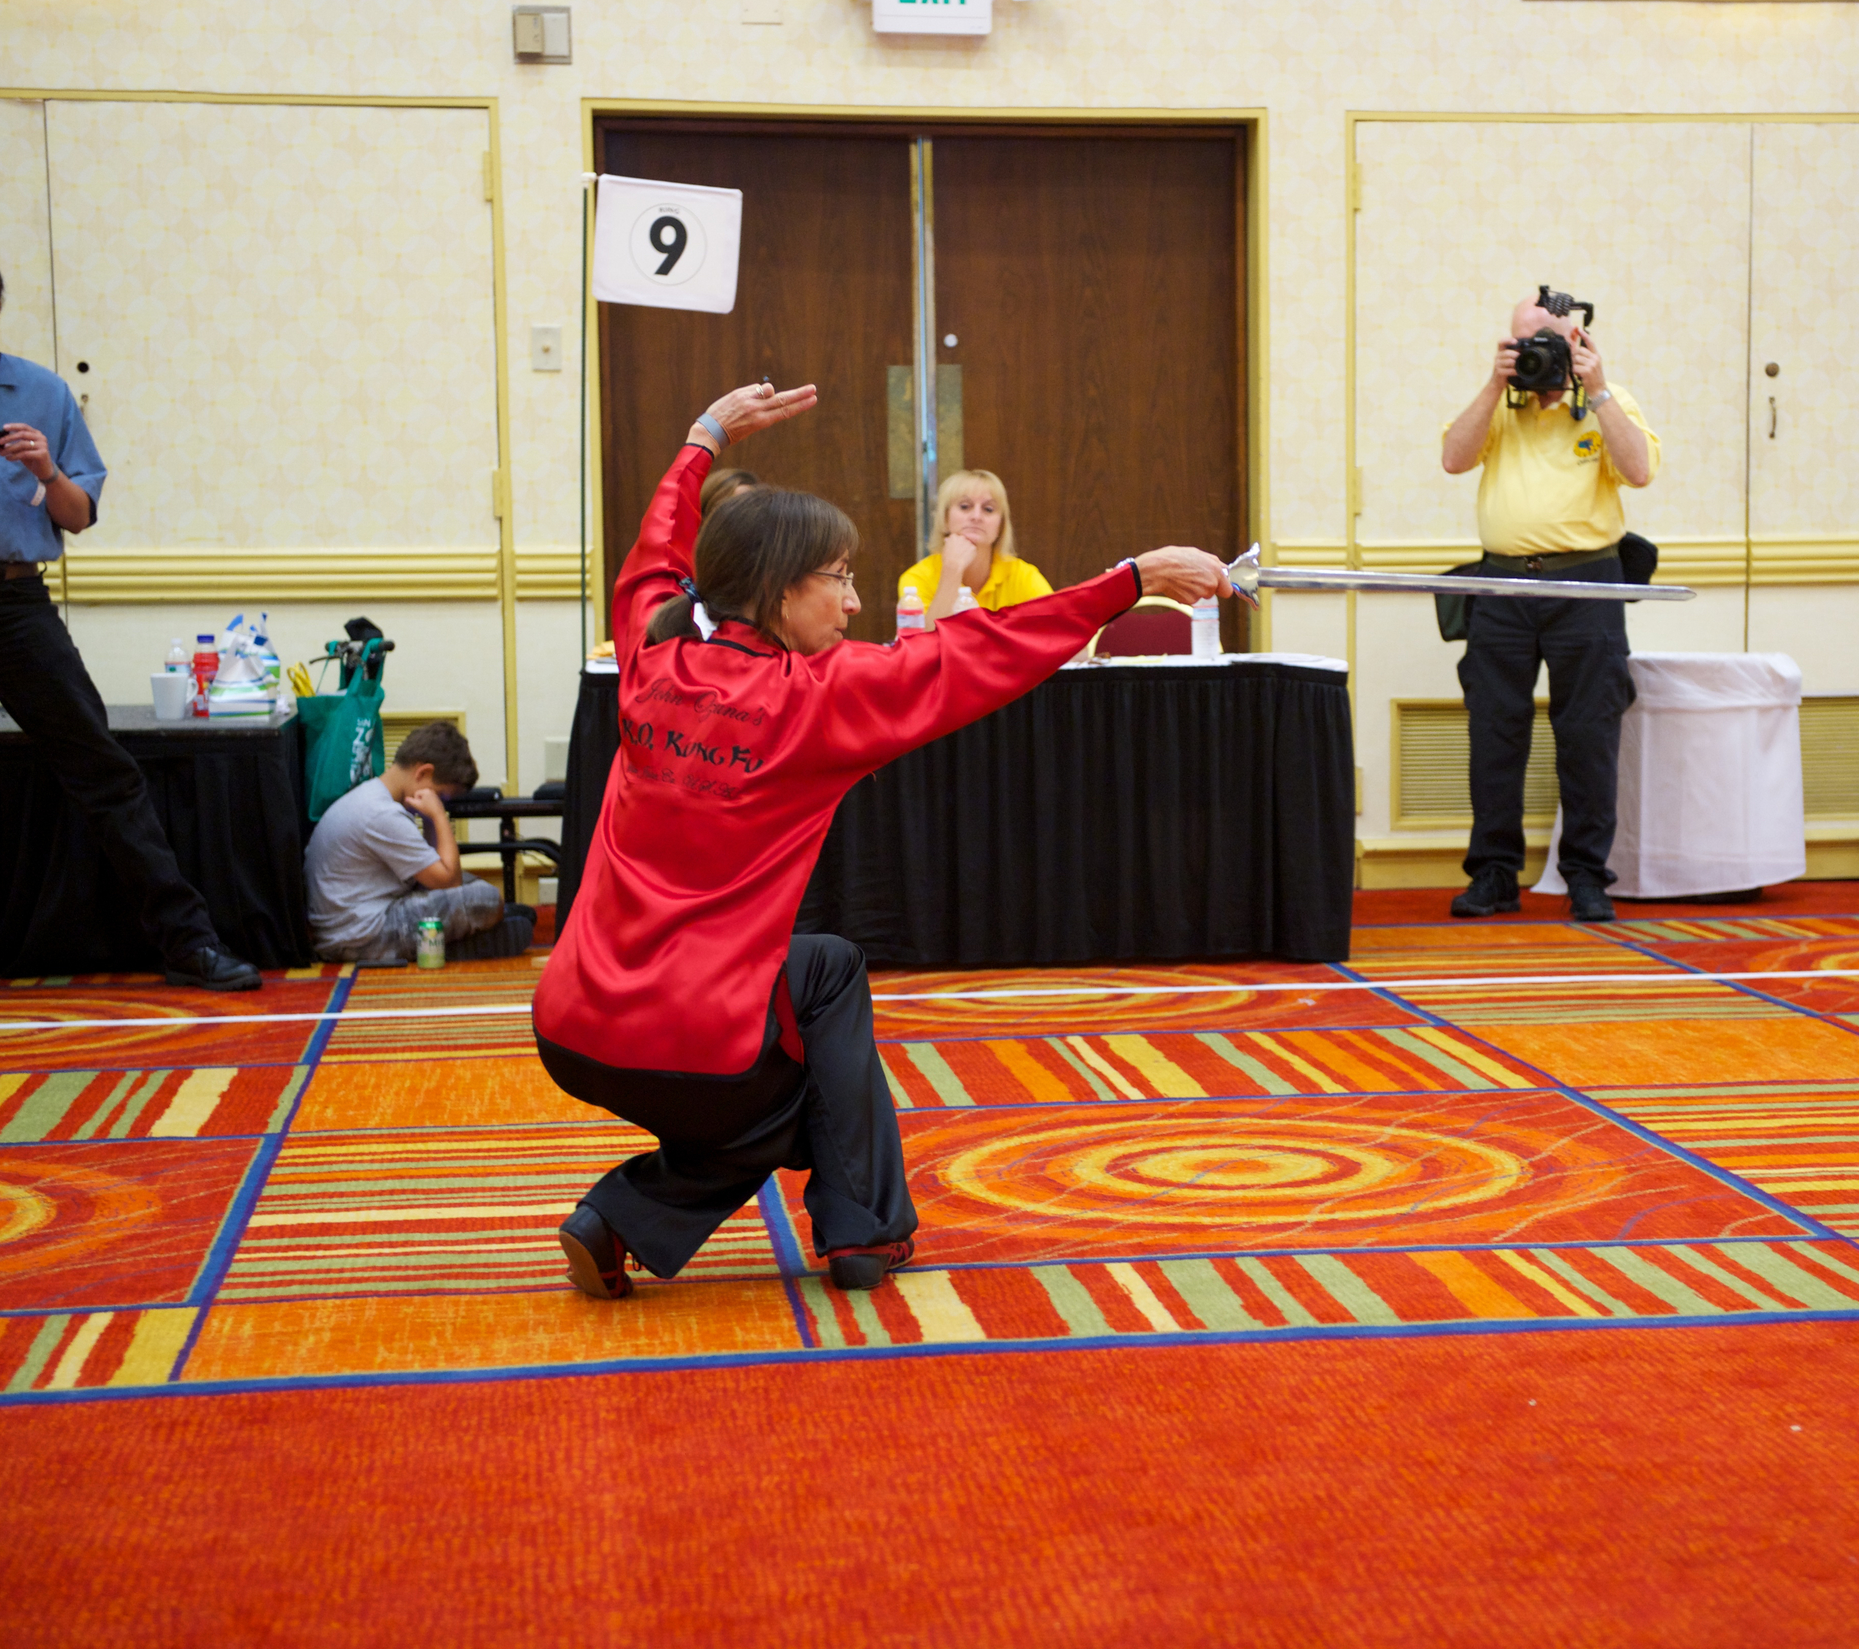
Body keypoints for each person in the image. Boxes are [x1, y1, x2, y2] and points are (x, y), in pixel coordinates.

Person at [532, 382, 1228, 1297]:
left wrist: (702, 438)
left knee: (821, 969)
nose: (857, 603)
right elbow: (982, 655)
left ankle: (847, 1229)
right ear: (782, 591)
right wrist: (1126, 583)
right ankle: (791, 1227)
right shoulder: (818, 700)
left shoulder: (649, 660)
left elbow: (651, 559)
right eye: (841, 577)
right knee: (809, 1098)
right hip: (696, 1048)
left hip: (571, 1026)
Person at [0, 241, 258, 990]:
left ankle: (188, 942)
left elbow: (80, 514)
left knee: (104, 771)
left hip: (15, 599)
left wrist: (45, 469)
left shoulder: (42, 391)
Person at [1439, 293, 1658, 923]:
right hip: (1503, 589)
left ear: (1578, 341)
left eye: (1545, 343)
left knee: (1589, 733)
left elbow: (1639, 471)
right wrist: (1492, 384)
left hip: (1586, 585)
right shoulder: (1500, 407)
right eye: (1520, 342)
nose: (1533, 354)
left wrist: (1602, 390)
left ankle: (1587, 876)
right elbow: (1454, 458)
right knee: (1494, 733)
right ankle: (1493, 875)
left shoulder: (1608, 402)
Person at [303, 720, 534, 965]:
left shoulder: (374, 796)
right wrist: (437, 815)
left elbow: (438, 871)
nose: (439, 801)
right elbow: (448, 883)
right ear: (423, 772)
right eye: (441, 795)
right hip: (361, 939)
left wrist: (430, 818)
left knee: (474, 886)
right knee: (487, 899)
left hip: (350, 926)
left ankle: (477, 930)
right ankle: (459, 945)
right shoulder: (383, 815)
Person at [898, 469, 1052, 620]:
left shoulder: (1023, 576)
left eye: (988, 509)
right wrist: (952, 573)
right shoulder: (917, 578)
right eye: (965, 507)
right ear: (945, 518)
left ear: (1001, 526)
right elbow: (926, 640)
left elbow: (1057, 630)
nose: (976, 516)